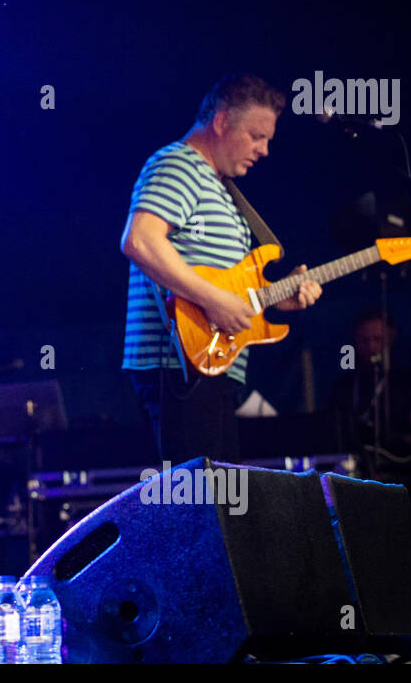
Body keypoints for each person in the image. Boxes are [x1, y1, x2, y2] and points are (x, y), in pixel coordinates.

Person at [120, 74, 320, 465]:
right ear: (222, 121)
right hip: (179, 362)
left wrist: (279, 300)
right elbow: (140, 241)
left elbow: (230, 291)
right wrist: (214, 300)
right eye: (256, 136)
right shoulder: (179, 164)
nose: (264, 150)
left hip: (213, 365)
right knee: (202, 510)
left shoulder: (221, 187)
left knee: (220, 506)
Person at [330, 307, 411, 526]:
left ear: (391, 338)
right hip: (355, 479)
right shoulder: (345, 387)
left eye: (377, 339)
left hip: (403, 479)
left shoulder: (408, 382)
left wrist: (391, 442)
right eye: (364, 340)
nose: (371, 347)